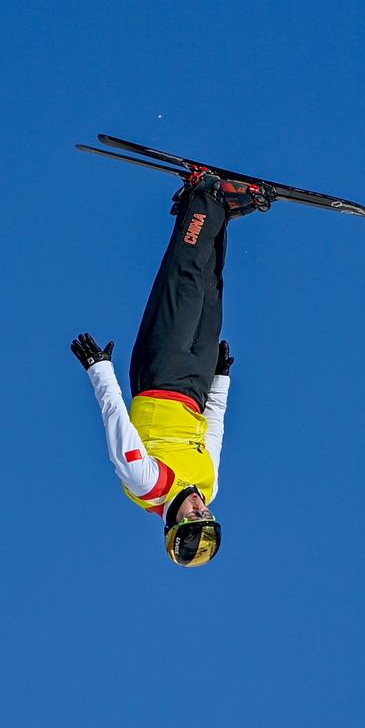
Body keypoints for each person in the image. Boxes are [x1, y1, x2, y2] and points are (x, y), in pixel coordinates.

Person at [70, 173, 267, 567]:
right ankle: (219, 213)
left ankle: (203, 194)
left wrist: (99, 370)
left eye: (193, 518)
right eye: (207, 517)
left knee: (184, 281)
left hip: (159, 373)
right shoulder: (208, 487)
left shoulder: (147, 484)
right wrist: (221, 381)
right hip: (195, 386)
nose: (200, 509)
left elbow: (117, 425)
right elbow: (213, 434)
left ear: (173, 524)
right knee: (211, 289)